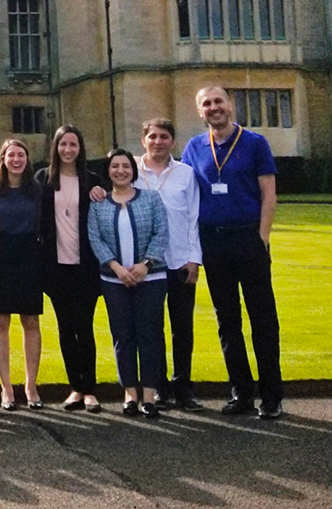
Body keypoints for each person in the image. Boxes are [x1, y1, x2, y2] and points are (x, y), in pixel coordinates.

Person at [180, 85, 284, 419]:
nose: (214, 107)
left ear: (230, 105)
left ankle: (271, 396)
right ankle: (241, 393)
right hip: (213, 243)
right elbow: (180, 192)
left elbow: (269, 194)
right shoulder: (194, 147)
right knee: (227, 320)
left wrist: (262, 237)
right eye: (206, 103)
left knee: (262, 318)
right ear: (200, 111)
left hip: (247, 239)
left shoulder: (255, 143)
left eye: (218, 101)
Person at [89, 147, 170, 419]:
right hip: (113, 280)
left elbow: (161, 233)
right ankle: (130, 393)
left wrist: (145, 264)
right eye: (115, 166)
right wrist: (116, 267)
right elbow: (95, 239)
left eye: (125, 166)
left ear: (132, 171)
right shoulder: (98, 203)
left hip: (151, 277)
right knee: (123, 336)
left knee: (149, 334)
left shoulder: (151, 199)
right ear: (108, 171)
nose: (120, 170)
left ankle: (149, 395)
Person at [34, 125, 105, 413]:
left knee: (84, 328)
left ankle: (90, 390)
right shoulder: (43, 179)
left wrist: (104, 191)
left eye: (73, 144)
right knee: (65, 328)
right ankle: (75, 387)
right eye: (63, 144)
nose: (67, 150)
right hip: (55, 267)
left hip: (85, 266)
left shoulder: (93, 181)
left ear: (80, 148)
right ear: (56, 147)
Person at [134, 117, 203, 411]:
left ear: (173, 142)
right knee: (151, 328)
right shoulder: (131, 171)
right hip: (145, 265)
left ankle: (184, 388)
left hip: (178, 261)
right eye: (152, 136)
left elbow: (193, 218)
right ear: (143, 141)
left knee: (182, 328)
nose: (158, 142)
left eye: (164, 137)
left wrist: (194, 259)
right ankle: (157, 387)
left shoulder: (186, 174)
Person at [0, 138, 43, 411]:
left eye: (21, 155)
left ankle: (30, 385)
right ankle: (6, 387)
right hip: (0, 253)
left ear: (27, 160)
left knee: (31, 320)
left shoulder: (38, 189)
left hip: (30, 252)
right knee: (0, 320)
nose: (16, 160)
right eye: (11, 155)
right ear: (3, 159)